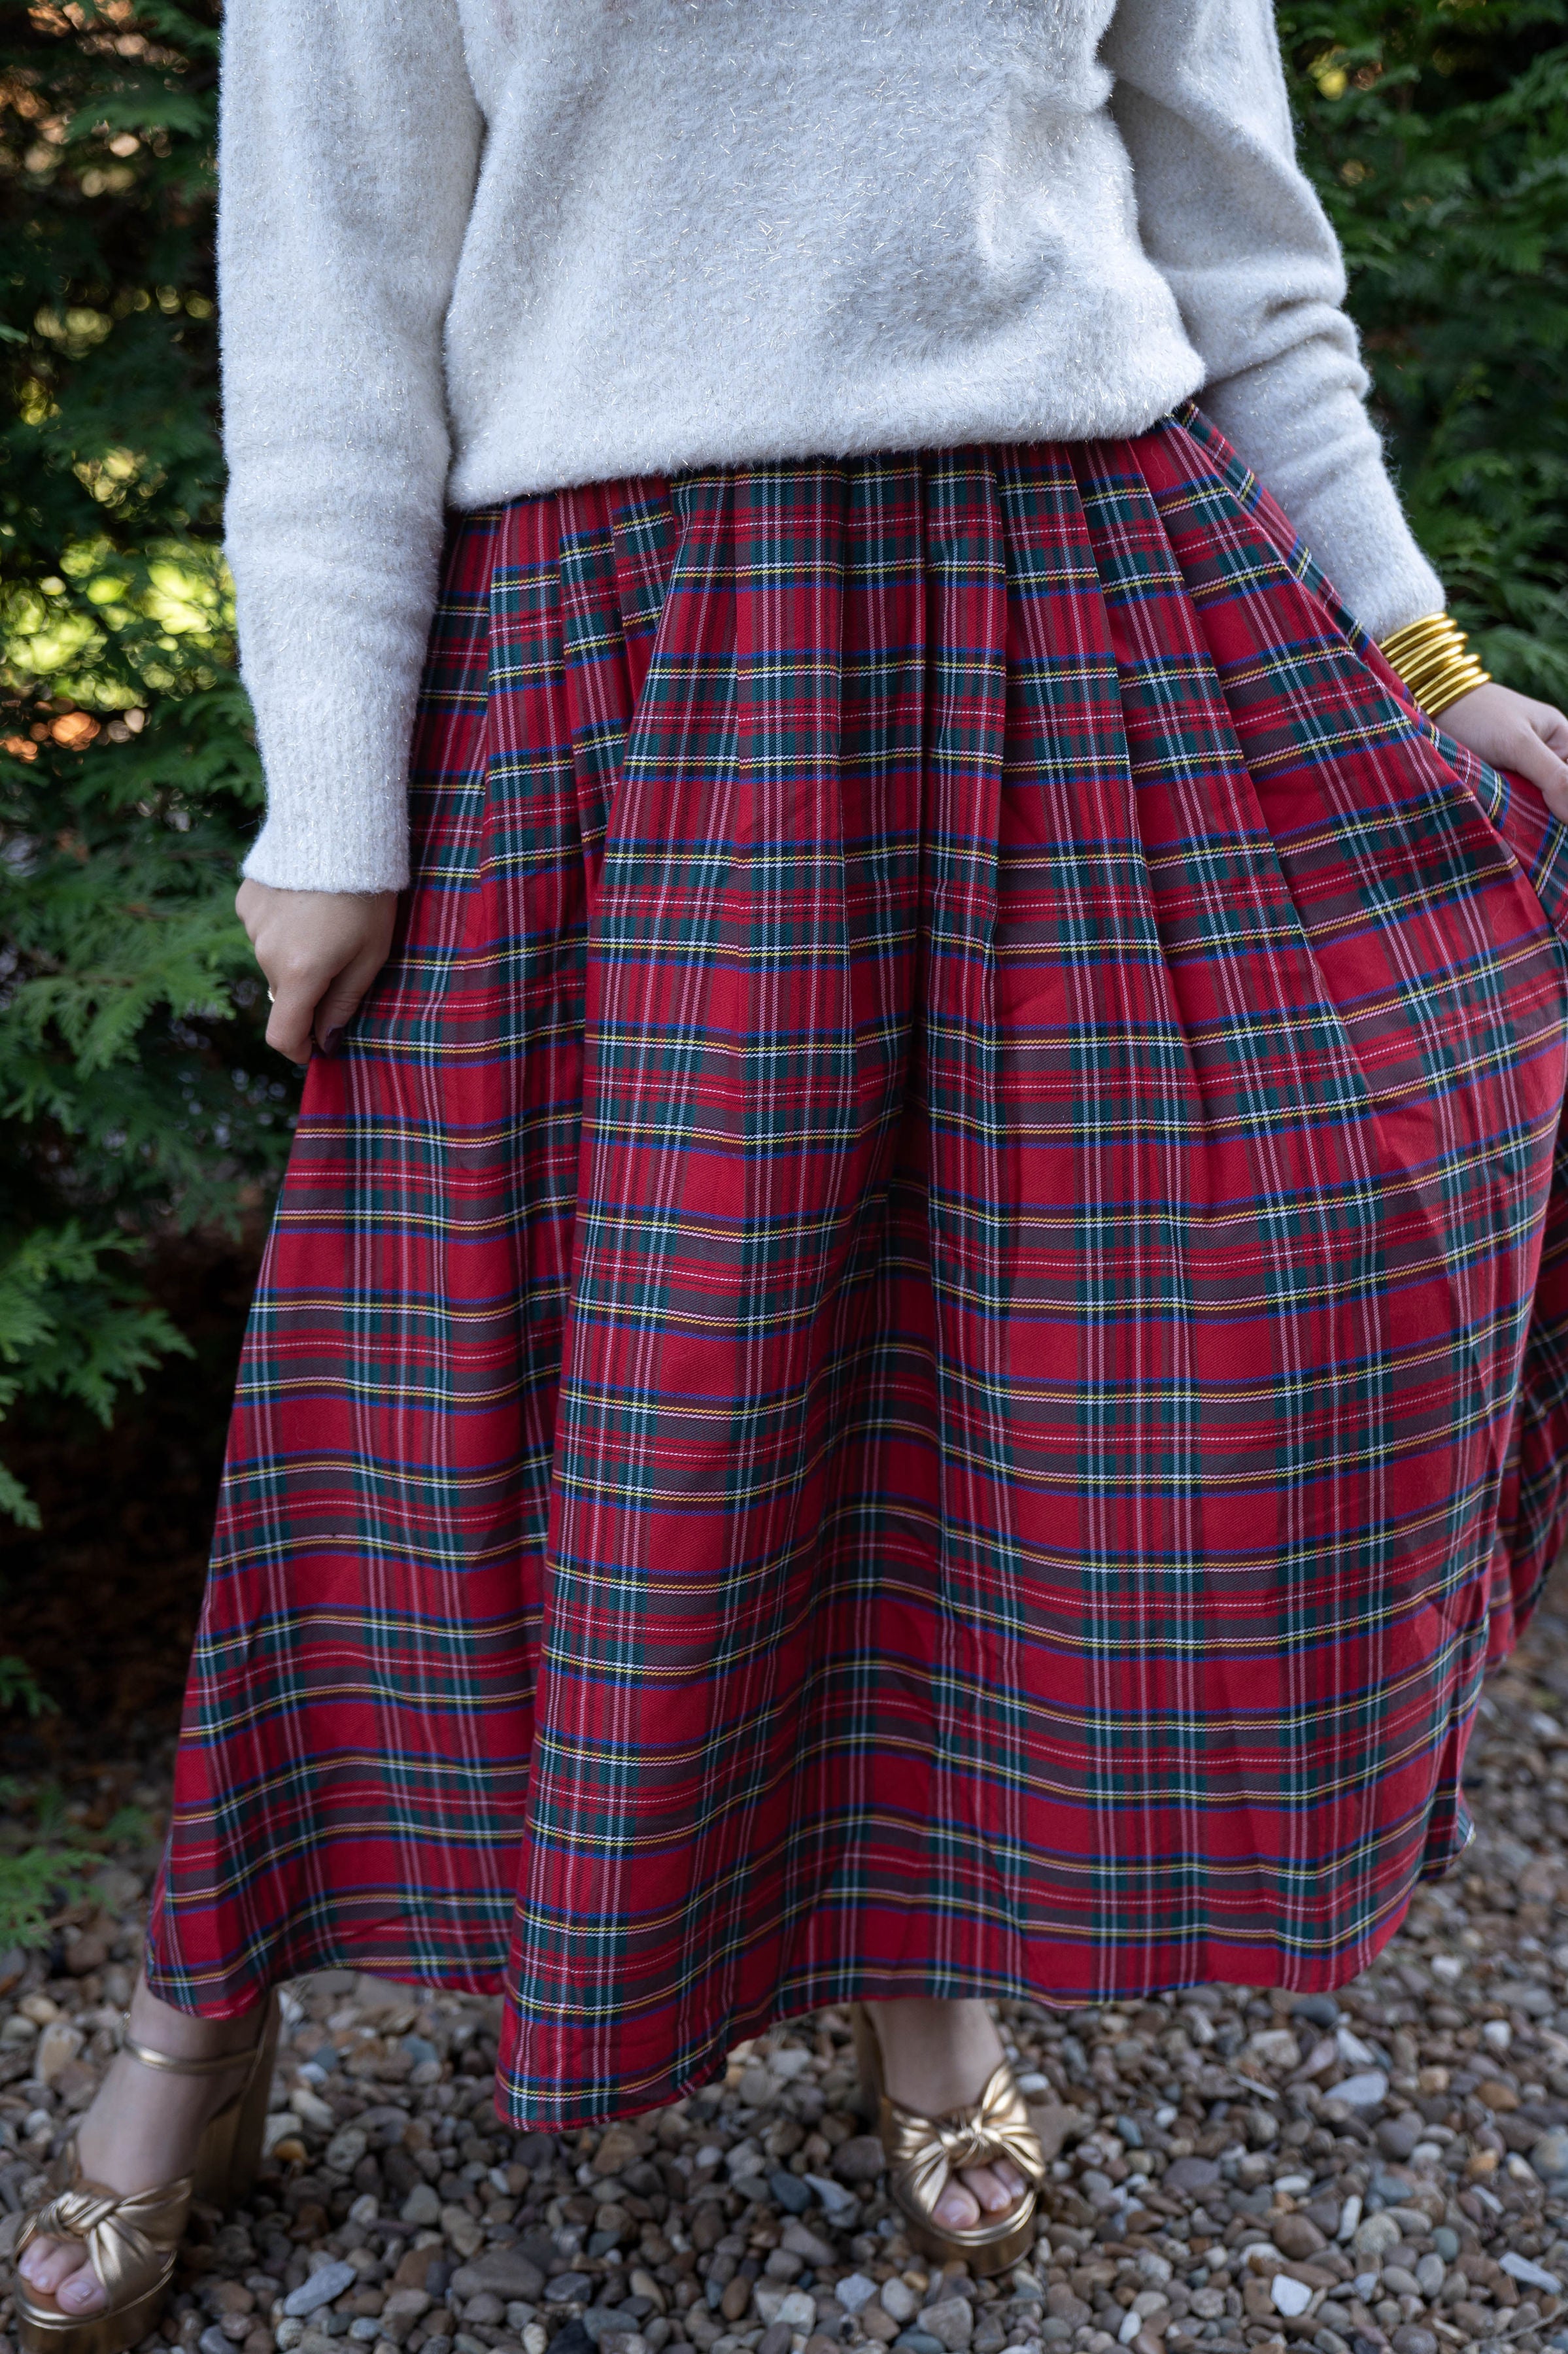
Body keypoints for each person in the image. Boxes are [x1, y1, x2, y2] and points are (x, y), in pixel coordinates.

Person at [16, 0, 1568, 2345]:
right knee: (404, 1396)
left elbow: (1252, 275)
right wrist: (330, 796)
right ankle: (198, 2019)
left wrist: (1426, 658)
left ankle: (926, 1975)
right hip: (616, 684)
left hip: (1087, 637)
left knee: (968, 1368)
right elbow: (334, 305)